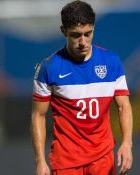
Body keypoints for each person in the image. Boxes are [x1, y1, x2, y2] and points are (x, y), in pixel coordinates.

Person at [31, 1, 133, 175]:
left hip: (102, 157)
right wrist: (40, 161)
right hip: (66, 161)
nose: (83, 42)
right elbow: (38, 115)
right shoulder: (49, 68)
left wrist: (127, 143)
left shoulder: (111, 62)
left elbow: (124, 106)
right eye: (76, 35)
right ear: (64, 31)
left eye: (88, 33)